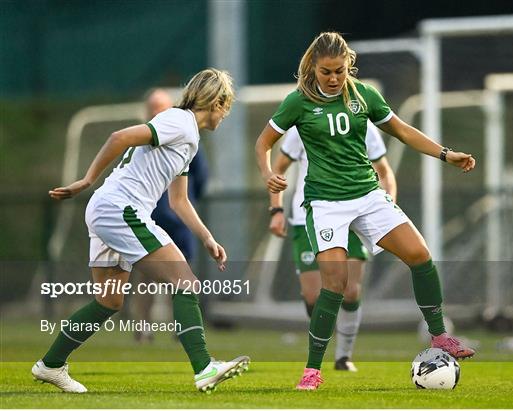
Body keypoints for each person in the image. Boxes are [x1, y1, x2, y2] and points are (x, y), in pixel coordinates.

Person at [255, 32, 476, 391]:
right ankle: (312, 370)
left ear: (348, 66)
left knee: (420, 255)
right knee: (336, 285)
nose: (333, 78)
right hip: (326, 204)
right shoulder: (298, 101)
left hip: (368, 196)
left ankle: (440, 337)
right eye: (326, 71)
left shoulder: (363, 96)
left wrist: (445, 154)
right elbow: (264, 142)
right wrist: (269, 175)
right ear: (313, 67)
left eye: (340, 70)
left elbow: (402, 131)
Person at [32, 68, 249, 394]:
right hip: (119, 209)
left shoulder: (188, 139)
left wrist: (207, 237)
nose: (226, 114)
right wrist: (86, 180)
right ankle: (204, 368)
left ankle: (50, 365)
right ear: (216, 101)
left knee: (109, 300)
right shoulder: (178, 121)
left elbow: (179, 201)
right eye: (226, 106)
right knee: (185, 281)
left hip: (108, 209)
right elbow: (118, 138)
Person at [268, 122, 396, 372]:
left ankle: (343, 356)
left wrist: (388, 206)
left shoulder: (365, 125)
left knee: (350, 291)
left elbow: (384, 171)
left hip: (355, 217)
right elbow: (279, 167)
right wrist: (276, 208)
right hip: (309, 216)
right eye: (325, 79)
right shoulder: (302, 124)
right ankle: (320, 348)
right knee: (314, 297)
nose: (333, 81)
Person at [133, 88, 209, 343]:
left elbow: (199, 180)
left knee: (181, 274)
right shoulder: (140, 140)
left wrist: (187, 204)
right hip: (146, 219)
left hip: (178, 222)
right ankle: (143, 328)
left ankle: (183, 328)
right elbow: (117, 141)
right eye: (153, 107)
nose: (157, 112)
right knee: (144, 278)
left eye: (162, 107)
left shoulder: (187, 140)